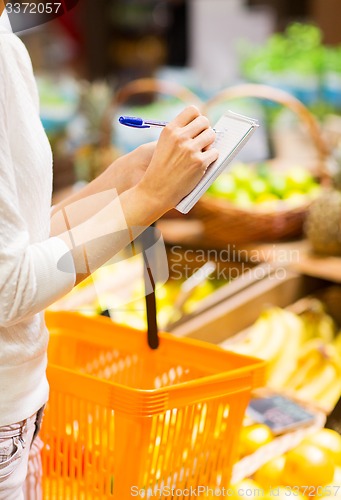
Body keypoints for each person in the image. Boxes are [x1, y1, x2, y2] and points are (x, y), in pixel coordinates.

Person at [0, 4, 219, 499]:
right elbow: (9, 291)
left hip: (22, 412)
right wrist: (146, 202)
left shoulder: (7, 42)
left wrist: (122, 183)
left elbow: (24, 247)